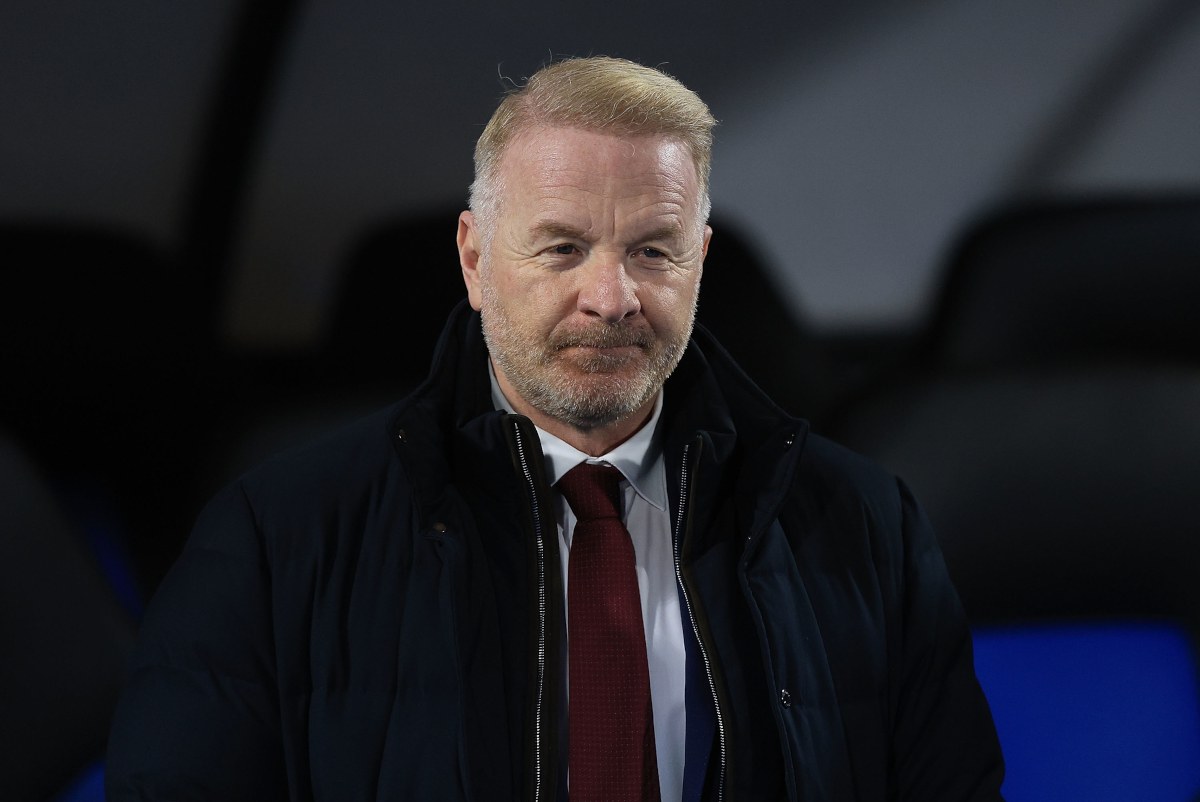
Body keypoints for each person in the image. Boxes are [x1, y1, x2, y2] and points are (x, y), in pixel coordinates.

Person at [106, 57, 1004, 801]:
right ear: (472, 258)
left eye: (653, 250)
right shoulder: (275, 540)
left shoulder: (864, 528)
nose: (610, 298)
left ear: (701, 262)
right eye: (563, 248)